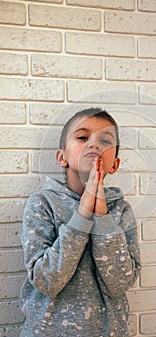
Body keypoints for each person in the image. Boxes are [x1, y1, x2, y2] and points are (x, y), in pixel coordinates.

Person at [19, 107, 141, 337]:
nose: (94, 144)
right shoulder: (42, 204)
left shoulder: (121, 211)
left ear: (114, 164)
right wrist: (83, 214)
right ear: (61, 157)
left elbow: (119, 284)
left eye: (105, 140)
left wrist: (102, 217)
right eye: (83, 137)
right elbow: (47, 281)